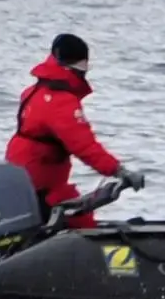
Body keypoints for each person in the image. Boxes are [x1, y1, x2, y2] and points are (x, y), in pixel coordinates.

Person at [7, 32, 127, 227]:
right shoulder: (61, 103)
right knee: (82, 224)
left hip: (23, 184)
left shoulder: (32, 92)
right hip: (44, 188)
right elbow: (84, 146)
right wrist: (119, 171)